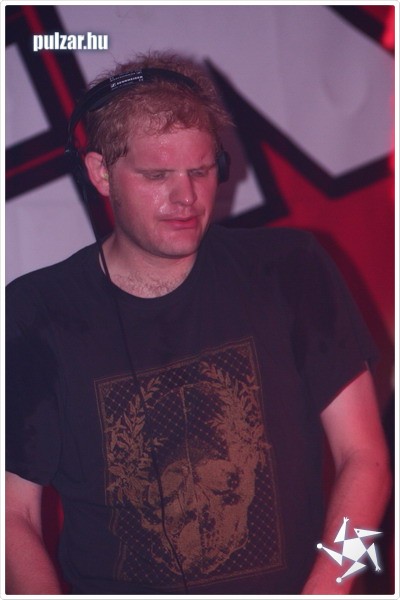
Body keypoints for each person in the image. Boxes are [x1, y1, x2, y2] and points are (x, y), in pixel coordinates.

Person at [6, 50, 392, 596]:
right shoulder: (36, 311)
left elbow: (367, 460)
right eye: (157, 175)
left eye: (201, 170)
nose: (185, 197)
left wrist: (329, 587)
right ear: (100, 173)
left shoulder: (290, 268)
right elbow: (12, 515)